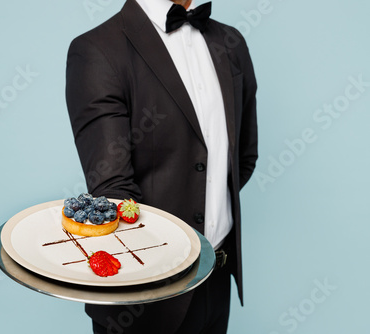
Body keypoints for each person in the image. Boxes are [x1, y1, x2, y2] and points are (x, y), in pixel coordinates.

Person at [65, 0, 257, 332]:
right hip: (143, 299)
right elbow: (113, 191)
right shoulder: (97, 49)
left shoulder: (231, 42)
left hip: (217, 282)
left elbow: (242, 158)